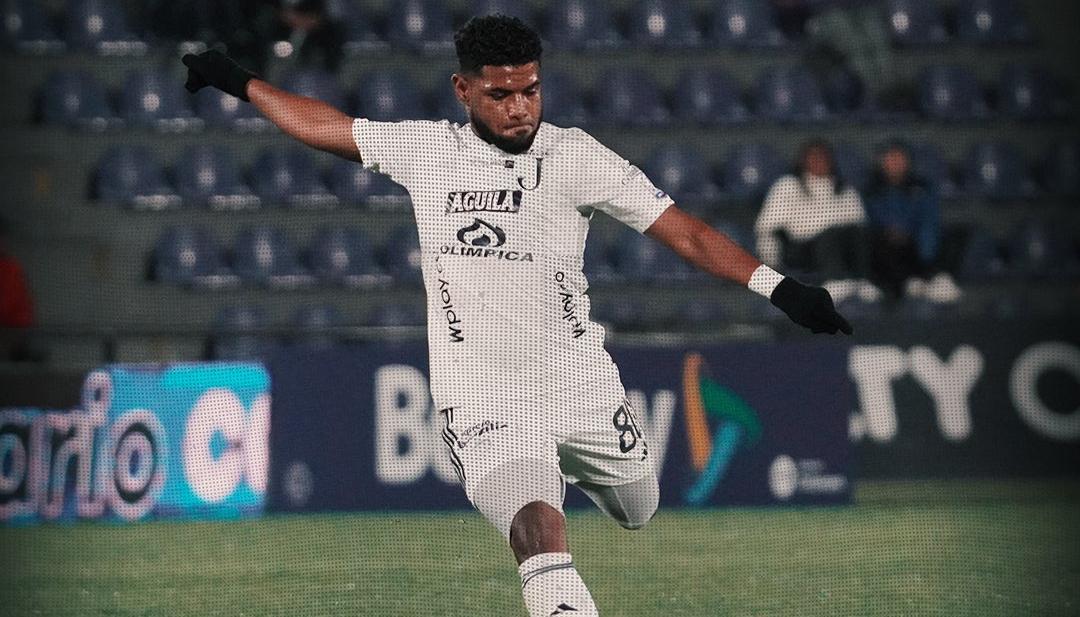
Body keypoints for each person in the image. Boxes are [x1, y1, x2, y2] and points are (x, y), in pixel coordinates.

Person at [182, 15, 852, 616]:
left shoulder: (574, 155)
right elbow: (323, 122)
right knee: (537, 522)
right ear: (463, 90)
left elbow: (685, 233)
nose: (519, 107)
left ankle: (597, 471)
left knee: (638, 506)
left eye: (530, 89)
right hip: (484, 396)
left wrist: (782, 288)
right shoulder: (429, 151)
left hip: (578, 380)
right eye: (500, 94)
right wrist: (237, 80)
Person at [755, 140, 870, 289]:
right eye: (813, 157)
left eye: (823, 157)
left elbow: (860, 227)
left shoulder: (845, 190)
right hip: (800, 250)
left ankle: (862, 282)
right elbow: (766, 229)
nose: (819, 161)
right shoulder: (787, 186)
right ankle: (834, 284)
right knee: (831, 235)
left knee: (858, 233)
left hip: (842, 249)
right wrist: (771, 263)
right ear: (803, 161)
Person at [864, 141, 961, 302]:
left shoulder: (922, 187)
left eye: (900, 159)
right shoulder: (871, 190)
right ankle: (904, 284)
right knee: (881, 244)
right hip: (883, 247)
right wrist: (888, 232)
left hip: (914, 244)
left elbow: (929, 220)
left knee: (954, 234)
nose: (895, 163)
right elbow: (867, 221)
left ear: (908, 162)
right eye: (891, 159)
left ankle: (930, 278)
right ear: (882, 162)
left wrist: (922, 252)